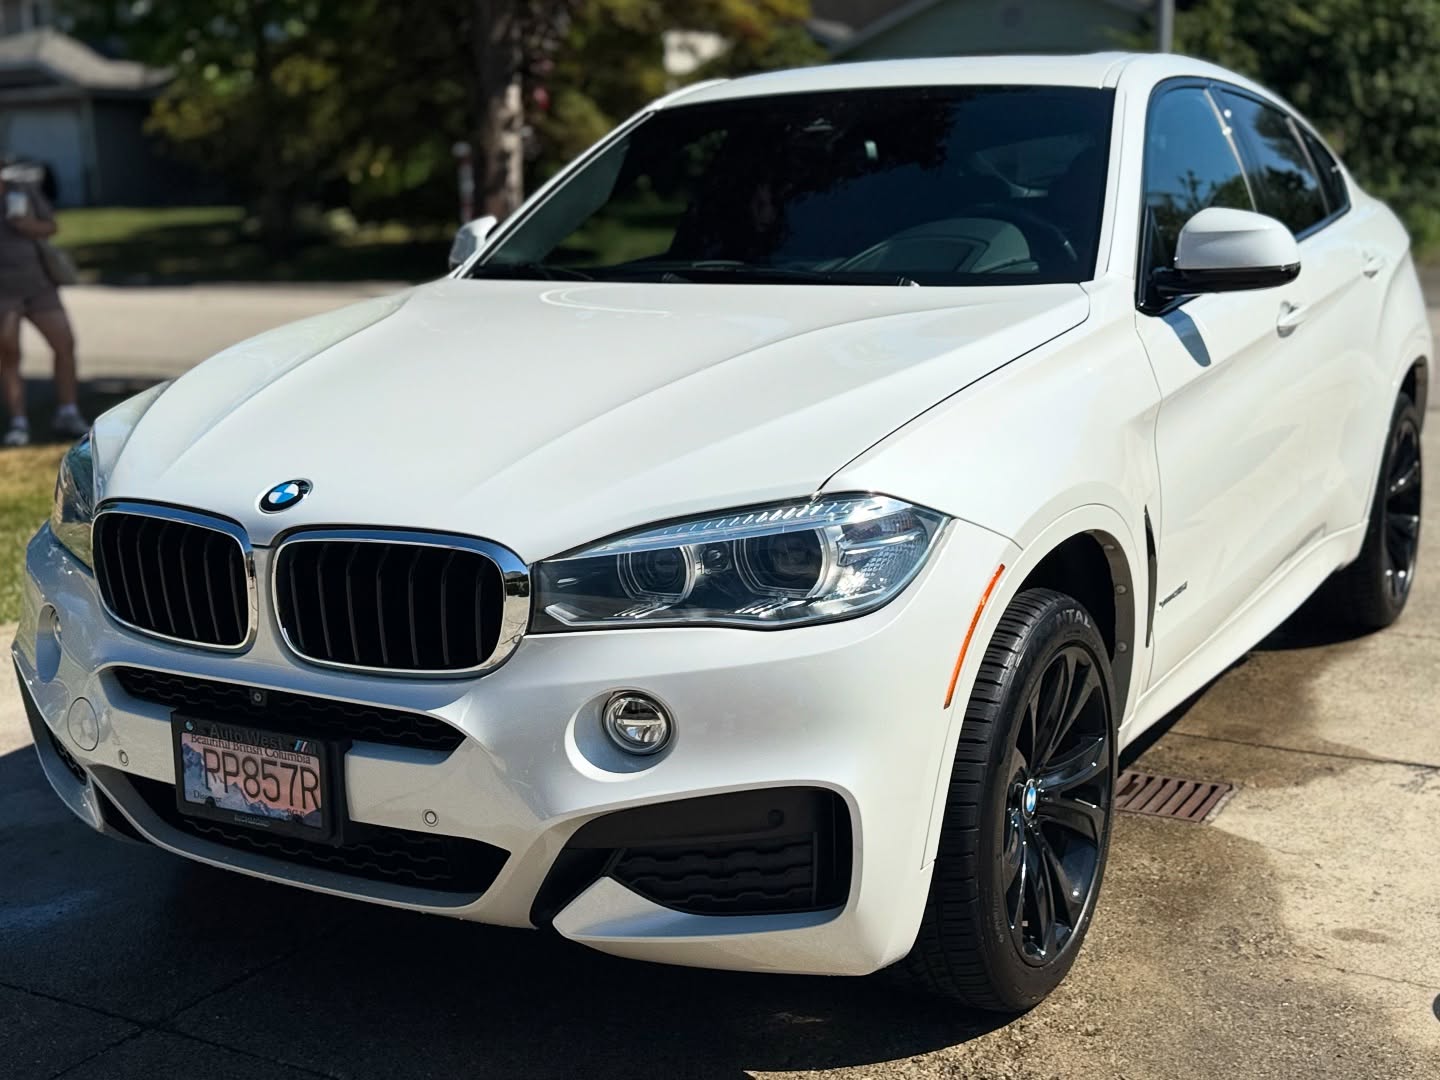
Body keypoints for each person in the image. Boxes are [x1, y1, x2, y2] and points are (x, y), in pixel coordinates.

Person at [0, 163, 86, 447]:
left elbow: (51, 226)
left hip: (39, 286)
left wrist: (27, 225)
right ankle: (19, 423)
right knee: (9, 355)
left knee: (64, 343)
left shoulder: (22, 191)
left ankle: (68, 413)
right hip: (4, 294)